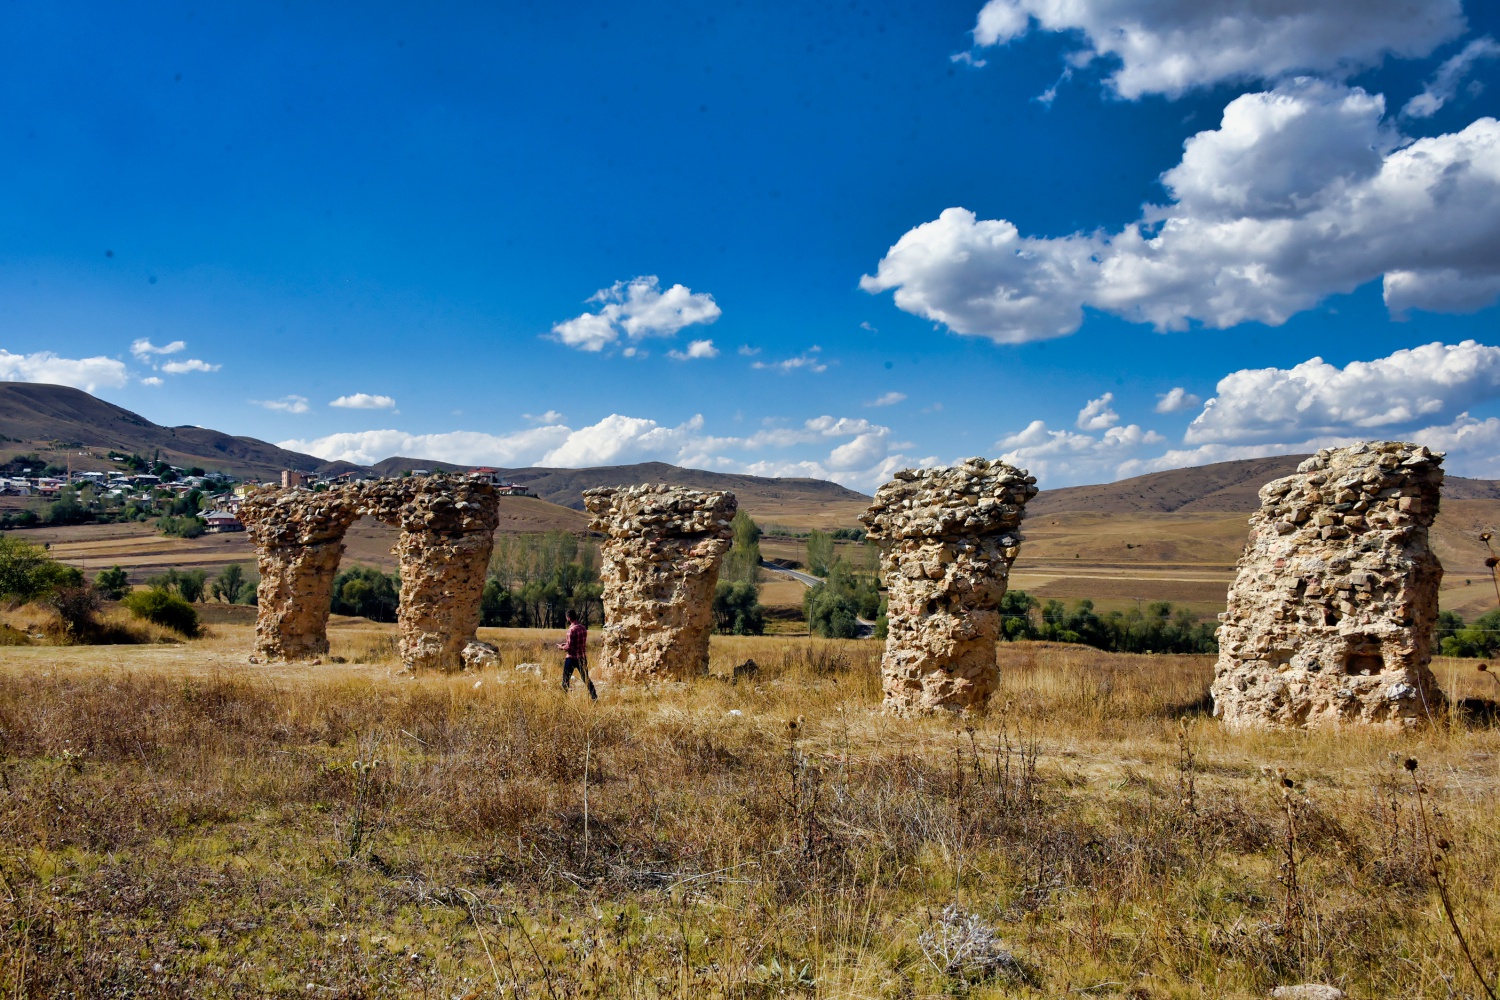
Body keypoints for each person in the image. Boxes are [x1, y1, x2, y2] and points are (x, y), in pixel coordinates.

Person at [557, 608, 597, 700]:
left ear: (568, 618)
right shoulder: (583, 628)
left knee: (565, 680)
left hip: (571, 658)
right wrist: (566, 644)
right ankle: (594, 696)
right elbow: (578, 643)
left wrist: (561, 647)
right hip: (582, 657)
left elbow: (569, 647)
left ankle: (563, 698)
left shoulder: (571, 630)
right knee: (586, 678)